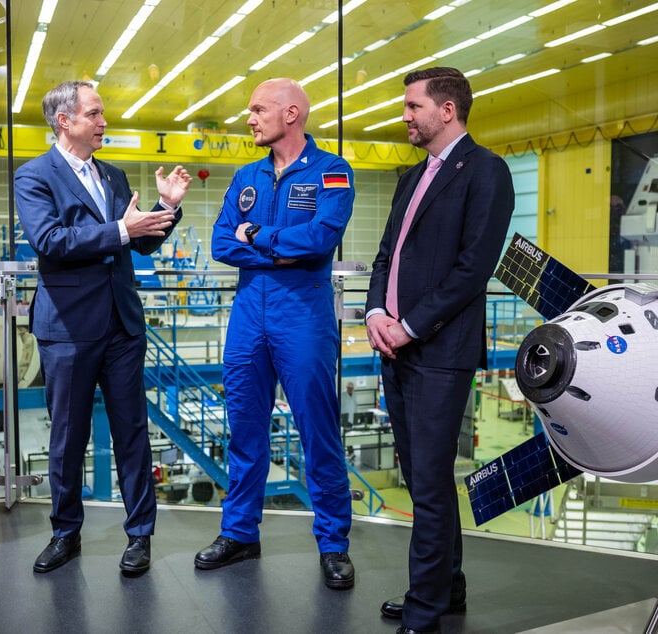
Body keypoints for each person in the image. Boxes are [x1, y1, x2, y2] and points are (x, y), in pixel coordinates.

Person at [14, 80, 191, 576]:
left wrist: (166, 209)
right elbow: (50, 241)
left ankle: (140, 535)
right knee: (68, 437)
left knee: (131, 433)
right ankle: (65, 533)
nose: (103, 122)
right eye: (94, 113)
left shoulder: (112, 175)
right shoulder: (34, 176)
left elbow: (140, 242)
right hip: (68, 328)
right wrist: (120, 229)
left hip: (121, 325)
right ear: (64, 121)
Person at [364, 67, 515, 633]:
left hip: (440, 351)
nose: (404, 116)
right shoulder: (411, 177)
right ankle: (447, 588)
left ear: (446, 110)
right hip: (396, 347)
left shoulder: (486, 171)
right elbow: (387, 254)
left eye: (413, 106)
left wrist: (411, 325)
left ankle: (424, 609)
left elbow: (473, 269)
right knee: (422, 477)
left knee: (427, 484)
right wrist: (376, 314)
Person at [194, 78, 356, 590]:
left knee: (317, 431)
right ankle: (240, 532)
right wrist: (279, 250)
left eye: (258, 109)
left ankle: (333, 543)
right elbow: (222, 242)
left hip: (303, 315)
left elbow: (320, 239)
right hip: (249, 316)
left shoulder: (332, 171)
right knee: (244, 428)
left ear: (291, 114)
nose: (249, 118)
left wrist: (258, 235)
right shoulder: (247, 175)